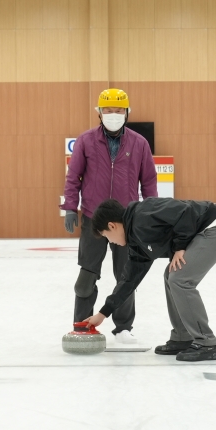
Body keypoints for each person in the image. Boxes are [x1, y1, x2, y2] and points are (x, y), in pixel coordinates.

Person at [83, 197, 216, 362]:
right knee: (171, 275)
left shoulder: (143, 214)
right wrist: (103, 313)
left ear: (112, 226)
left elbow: (185, 211)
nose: (110, 242)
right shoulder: (136, 242)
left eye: (107, 236)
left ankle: (207, 343)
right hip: (206, 231)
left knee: (180, 279)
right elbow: (128, 281)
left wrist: (180, 246)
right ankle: (182, 337)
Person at [62, 88, 158, 349]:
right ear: (99, 113)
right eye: (108, 110)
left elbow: (148, 181)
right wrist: (70, 207)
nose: (113, 115)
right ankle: (82, 324)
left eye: (118, 110)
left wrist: (149, 215)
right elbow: (74, 178)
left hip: (127, 222)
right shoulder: (86, 141)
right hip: (94, 219)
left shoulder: (139, 143)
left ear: (127, 113)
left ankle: (124, 328)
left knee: (125, 276)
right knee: (87, 274)